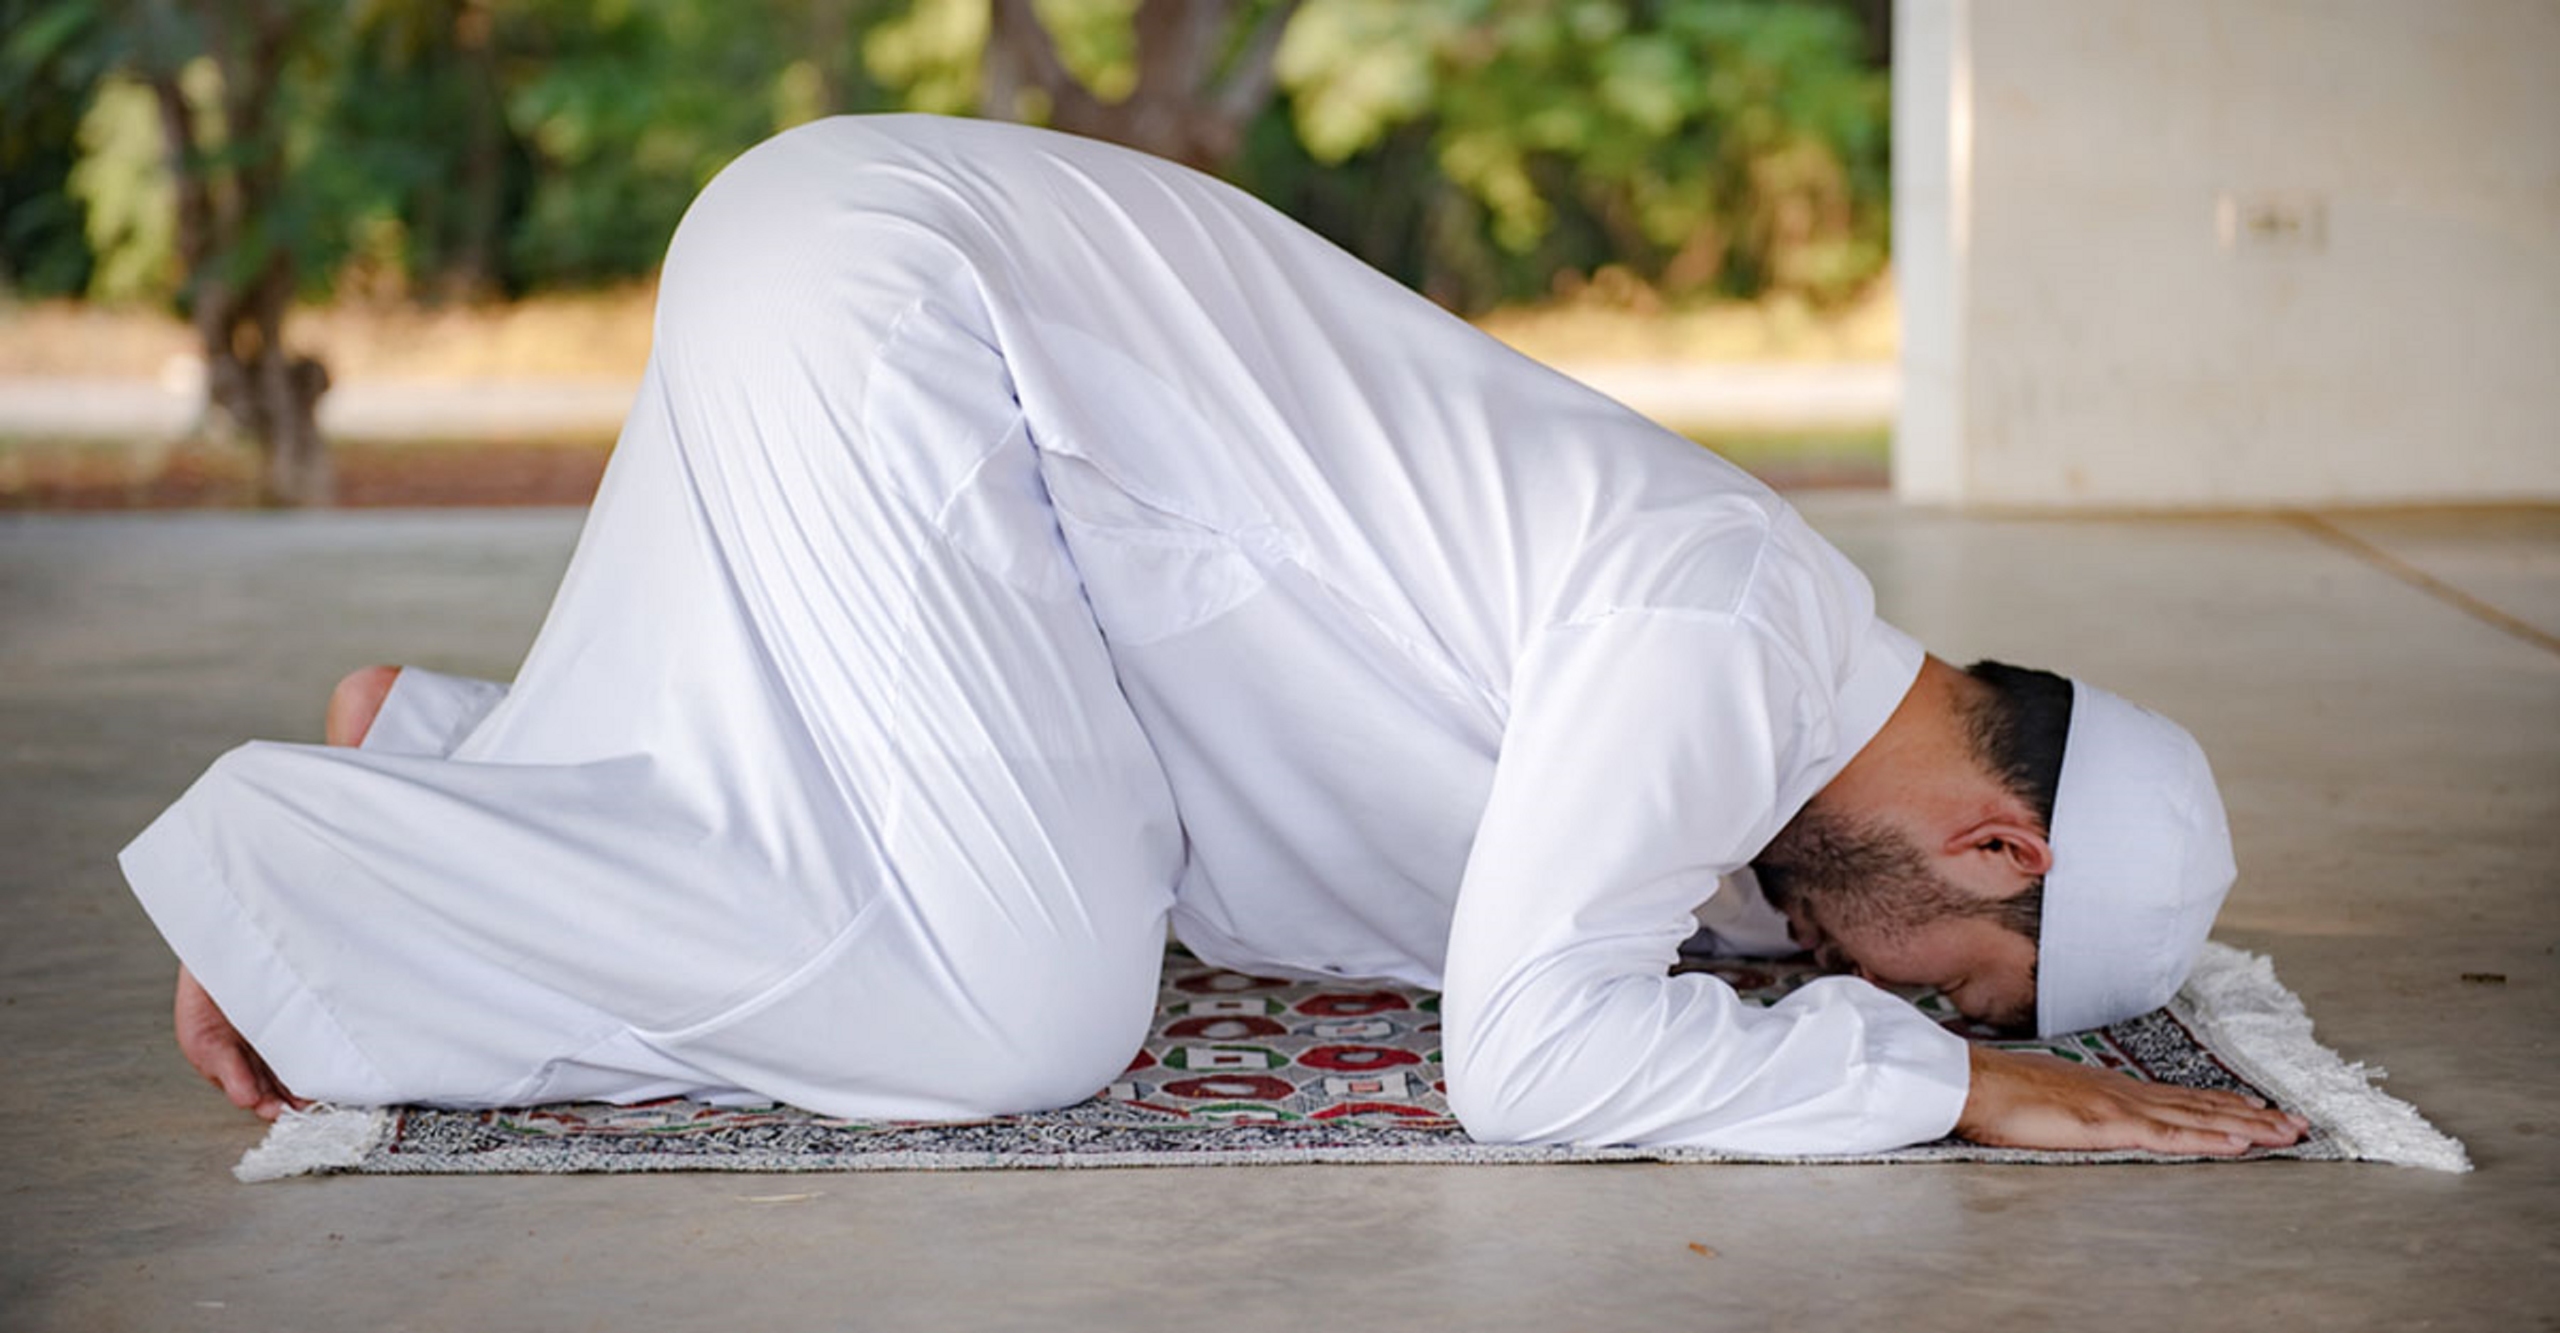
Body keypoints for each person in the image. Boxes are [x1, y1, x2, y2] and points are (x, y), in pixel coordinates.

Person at [125, 114, 2304, 1158]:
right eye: (1957, 980)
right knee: (1019, 1005)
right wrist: (1938, 1092)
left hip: (891, 297)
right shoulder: (1726, 632)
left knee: (977, 869)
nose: (1871, 985)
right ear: (1991, 853)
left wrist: (1850, 1019)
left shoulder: (1761, 715)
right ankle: (325, 874)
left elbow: (1573, 932)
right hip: (905, 313)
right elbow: (1526, 1060)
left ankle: (459, 754)